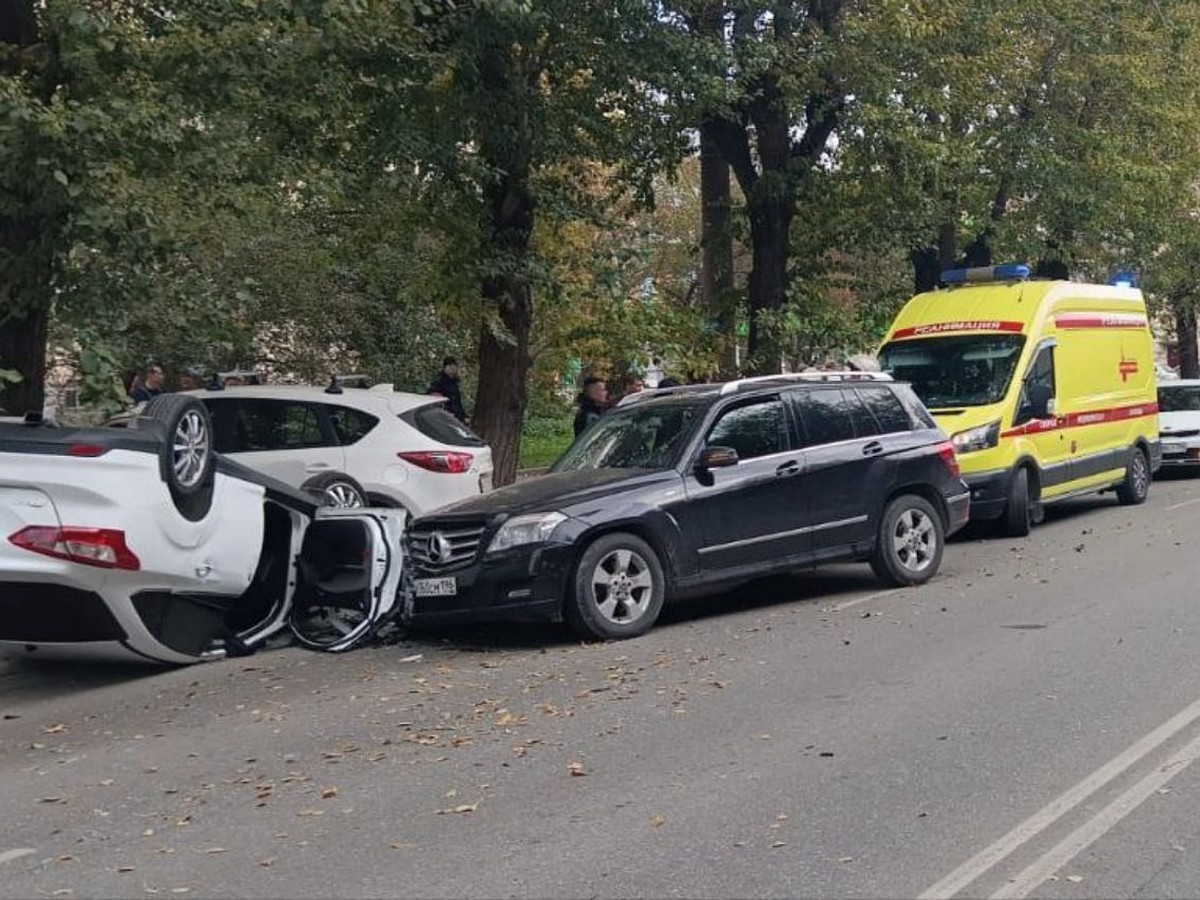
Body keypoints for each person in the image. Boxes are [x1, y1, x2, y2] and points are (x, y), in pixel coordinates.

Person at [428, 356, 468, 422]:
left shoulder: (454, 382)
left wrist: (463, 415)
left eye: (454, 366)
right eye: (449, 366)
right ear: (445, 367)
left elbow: (457, 401)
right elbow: (433, 396)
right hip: (446, 416)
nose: (452, 368)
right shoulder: (439, 381)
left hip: (456, 415)